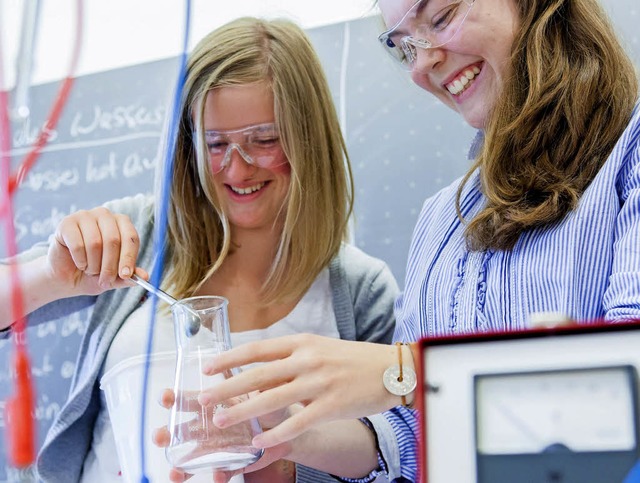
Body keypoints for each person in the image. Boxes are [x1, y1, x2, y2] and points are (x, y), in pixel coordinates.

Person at [189, 0, 640, 481]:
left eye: (441, 18)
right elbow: (410, 439)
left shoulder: (629, 153)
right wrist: (291, 438)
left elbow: (623, 378)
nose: (422, 63)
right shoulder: (443, 220)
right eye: (403, 46)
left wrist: (406, 370)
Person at [0, 17, 399, 483]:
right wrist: (51, 276)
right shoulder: (142, 235)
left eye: (264, 140)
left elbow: (396, 456)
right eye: (214, 144)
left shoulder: (359, 292)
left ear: (310, 138)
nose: (237, 168)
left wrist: (286, 464)